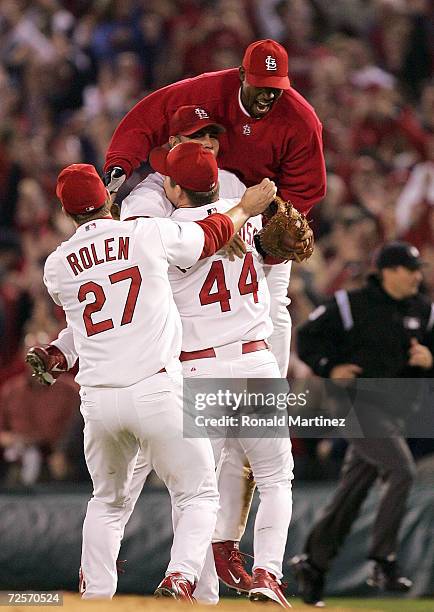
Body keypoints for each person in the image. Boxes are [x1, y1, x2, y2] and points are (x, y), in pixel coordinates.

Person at [32, 152, 277, 600]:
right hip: (156, 388)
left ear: (65, 211)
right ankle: (180, 577)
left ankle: (95, 598)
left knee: (107, 502)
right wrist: (243, 209)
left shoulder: (56, 265)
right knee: (199, 494)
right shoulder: (144, 233)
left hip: (100, 402)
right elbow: (207, 237)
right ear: (108, 197)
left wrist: (56, 352)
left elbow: (86, 321)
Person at [291, 241, 434, 606]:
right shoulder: (351, 303)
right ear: (388, 271)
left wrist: (430, 357)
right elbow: (308, 337)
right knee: (401, 470)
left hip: (395, 413)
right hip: (356, 405)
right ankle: (382, 560)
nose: (418, 275)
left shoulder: (423, 309)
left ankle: (313, 563)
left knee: (352, 492)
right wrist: (328, 367)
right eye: (411, 269)